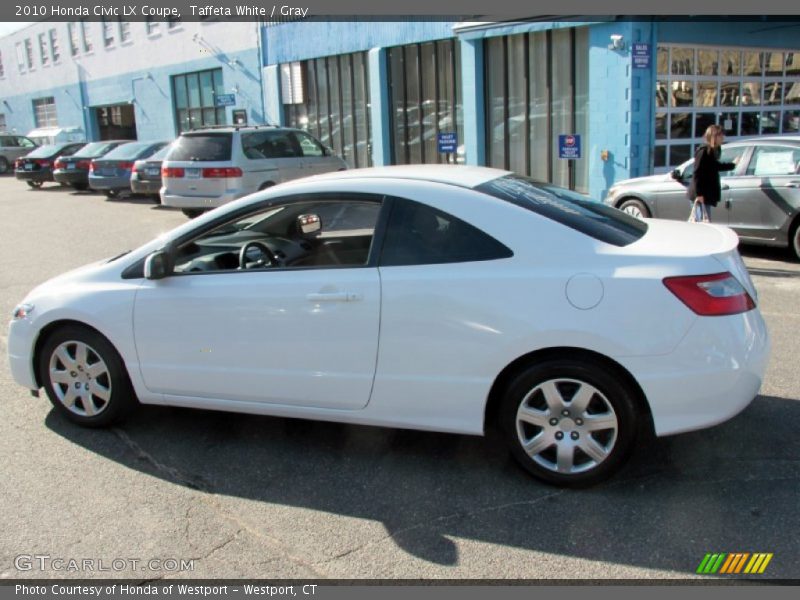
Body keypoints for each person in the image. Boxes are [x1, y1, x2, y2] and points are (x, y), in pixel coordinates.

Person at [688, 124, 737, 222]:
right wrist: (699, 194)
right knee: (702, 223)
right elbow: (697, 173)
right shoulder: (704, 151)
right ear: (714, 136)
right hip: (701, 194)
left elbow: (715, 166)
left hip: (707, 194)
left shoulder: (714, 150)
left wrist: (733, 165)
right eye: (721, 135)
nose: (723, 138)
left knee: (704, 222)